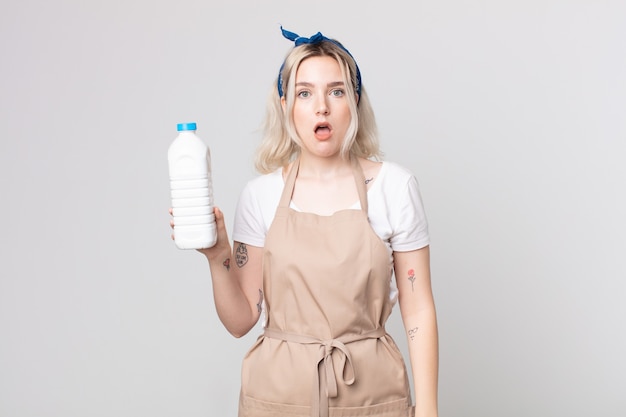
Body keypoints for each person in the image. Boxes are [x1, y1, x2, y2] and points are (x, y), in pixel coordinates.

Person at [172, 27, 438, 417]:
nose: (322, 107)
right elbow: (241, 320)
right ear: (285, 106)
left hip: (372, 396)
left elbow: (418, 309)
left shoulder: (395, 188)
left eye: (336, 90)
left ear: (355, 102)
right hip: (277, 397)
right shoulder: (260, 195)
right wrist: (217, 256)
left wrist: (429, 410)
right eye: (304, 92)